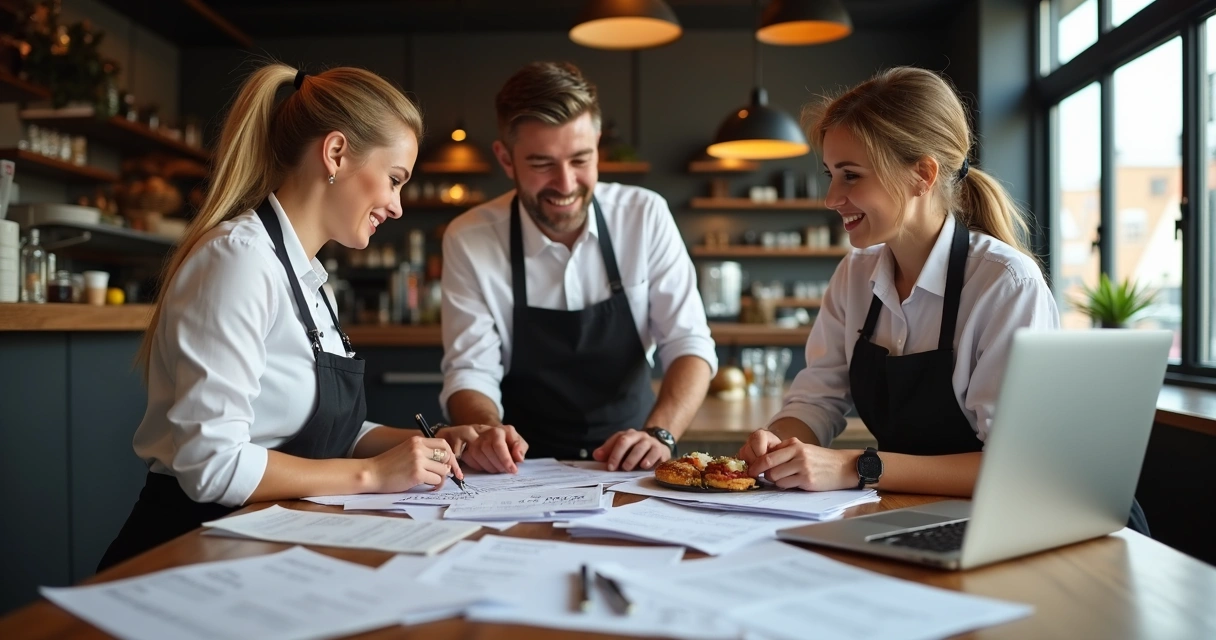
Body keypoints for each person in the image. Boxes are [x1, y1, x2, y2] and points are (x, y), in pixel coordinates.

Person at [99, 63, 470, 571]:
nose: (398, 206)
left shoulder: (310, 278)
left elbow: (311, 428)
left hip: (263, 544)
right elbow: (213, 464)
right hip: (190, 552)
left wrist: (425, 443)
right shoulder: (238, 260)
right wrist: (372, 476)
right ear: (336, 152)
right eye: (393, 179)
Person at [739, 66, 1062, 497]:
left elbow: (1018, 468)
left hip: (1012, 523)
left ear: (922, 176)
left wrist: (858, 466)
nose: (831, 198)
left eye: (851, 175)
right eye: (830, 174)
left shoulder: (1005, 285)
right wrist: (779, 440)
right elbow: (816, 402)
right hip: (910, 513)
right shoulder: (854, 275)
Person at [440, 61, 717, 472]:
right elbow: (470, 370)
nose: (566, 184)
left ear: (598, 144)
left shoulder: (644, 216)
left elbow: (689, 344)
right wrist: (486, 431)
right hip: (519, 469)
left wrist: (660, 434)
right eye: (541, 163)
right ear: (506, 158)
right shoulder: (470, 237)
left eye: (580, 159)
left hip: (632, 462)